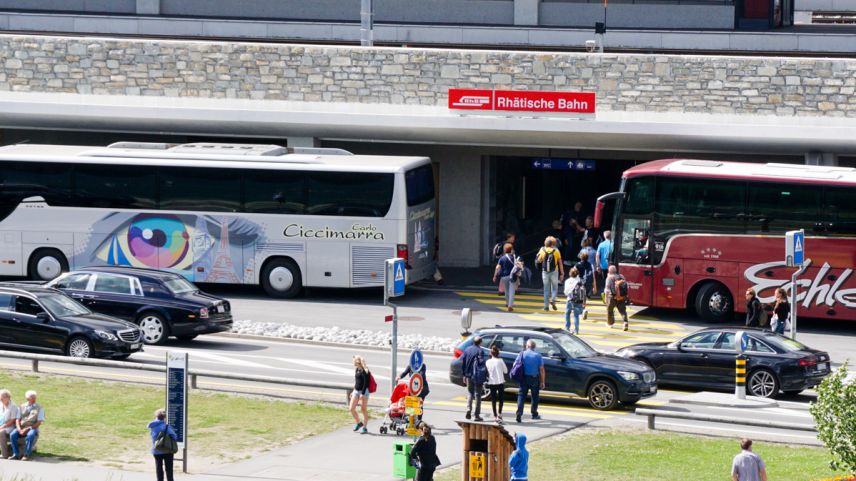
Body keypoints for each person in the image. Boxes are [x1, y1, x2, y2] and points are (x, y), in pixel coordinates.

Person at [515, 340, 545, 423]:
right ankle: (534, 414)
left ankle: (519, 413)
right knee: (535, 396)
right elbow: (542, 369)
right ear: (534, 347)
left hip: (524, 378)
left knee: (521, 396)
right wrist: (542, 381)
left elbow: (515, 364)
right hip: (534, 378)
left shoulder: (522, 354)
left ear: (527, 346)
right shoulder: (538, 355)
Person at [9, 390, 43, 461]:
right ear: (27, 398)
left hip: (32, 427)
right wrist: (19, 429)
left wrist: (28, 428)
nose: (34, 399)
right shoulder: (21, 406)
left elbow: (39, 422)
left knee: (30, 435)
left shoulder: (40, 407)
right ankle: (16, 454)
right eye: (32, 398)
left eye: (35, 397)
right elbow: (17, 419)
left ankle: (26, 454)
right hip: (21, 426)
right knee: (13, 434)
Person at [461, 336, 487, 421]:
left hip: (468, 375)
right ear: (480, 342)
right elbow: (481, 363)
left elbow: (463, 363)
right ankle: (476, 415)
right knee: (478, 395)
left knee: (470, 393)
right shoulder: (480, 351)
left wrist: (464, 375)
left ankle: (468, 409)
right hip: (477, 376)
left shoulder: (467, 349)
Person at [148, 408, 178, 481]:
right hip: (167, 450)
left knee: (159, 468)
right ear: (164, 417)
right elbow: (174, 436)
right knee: (169, 469)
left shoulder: (152, 426)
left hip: (156, 449)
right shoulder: (165, 426)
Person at [536, 236, 564, 311]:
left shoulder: (542, 250)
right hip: (554, 271)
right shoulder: (556, 251)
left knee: (546, 289)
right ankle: (553, 299)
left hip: (545, 272)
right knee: (554, 287)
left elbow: (539, 260)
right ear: (553, 243)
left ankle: (546, 306)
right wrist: (562, 273)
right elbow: (560, 263)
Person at [485, 345, 508, 423]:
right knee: (501, 399)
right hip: (500, 381)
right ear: (498, 353)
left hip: (491, 382)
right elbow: (506, 371)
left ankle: (495, 416)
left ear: (491, 353)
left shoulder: (487, 362)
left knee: (493, 400)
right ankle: (500, 414)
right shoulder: (500, 360)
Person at [493, 243, 519, 312]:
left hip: (504, 277)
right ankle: (510, 306)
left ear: (504, 250)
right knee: (512, 291)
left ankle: (507, 303)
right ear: (511, 249)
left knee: (506, 290)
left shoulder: (502, 258)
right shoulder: (514, 257)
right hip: (512, 276)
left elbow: (497, 267)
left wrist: (495, 276)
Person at [349, 355, 371, 434]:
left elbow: (366, 383)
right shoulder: (357, 369)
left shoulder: (365, 370)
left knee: (363, 409)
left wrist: (362, 394)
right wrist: (353, 391)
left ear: (357, 362)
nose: (352, 362)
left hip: (364, 391)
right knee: (351, 409)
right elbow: (357, 381)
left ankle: (365, 427)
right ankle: (359, 423)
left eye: (353, 361)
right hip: (356, 391)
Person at [604, 265, 630, 331]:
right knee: (623, 311)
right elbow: (626, 286)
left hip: (612, 297)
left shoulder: (609, 278)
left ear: (609, 271)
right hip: (621, 297)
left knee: (609, 310)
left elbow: (607, 289)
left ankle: (610, 323)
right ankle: (625, 322)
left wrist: (606, 298)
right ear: (615, 270)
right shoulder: (621, 276)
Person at [563, 267, 586, 334]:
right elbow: (584, 292)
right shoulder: (580, 281)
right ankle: (576, 330)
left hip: (570, 300)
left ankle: (567, 327)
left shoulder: (567, 281)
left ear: (570, 273)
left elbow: (565, 292)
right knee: (576, 315)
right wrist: (584, 302)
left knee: (567, 313)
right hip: (578, 300)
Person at [0, 389, 19, 460]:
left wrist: (3, 426)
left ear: (7, 398)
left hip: (10, 426)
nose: (0, 400)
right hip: (1, 424)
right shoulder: (1, 404)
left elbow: (13, 420)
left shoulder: (13, 406)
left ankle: (4, 454)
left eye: (2, 398)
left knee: (1, 432)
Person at [595, 230, 613, 296]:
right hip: (611, 266)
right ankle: (610, 293)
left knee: (605, 280)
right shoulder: (613, 244)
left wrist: (598, 266)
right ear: (611, 236)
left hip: (603, 266)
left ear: (604, 236)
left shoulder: (601, 244)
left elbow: (597, 256)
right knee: (612, 280)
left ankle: (606, 294)